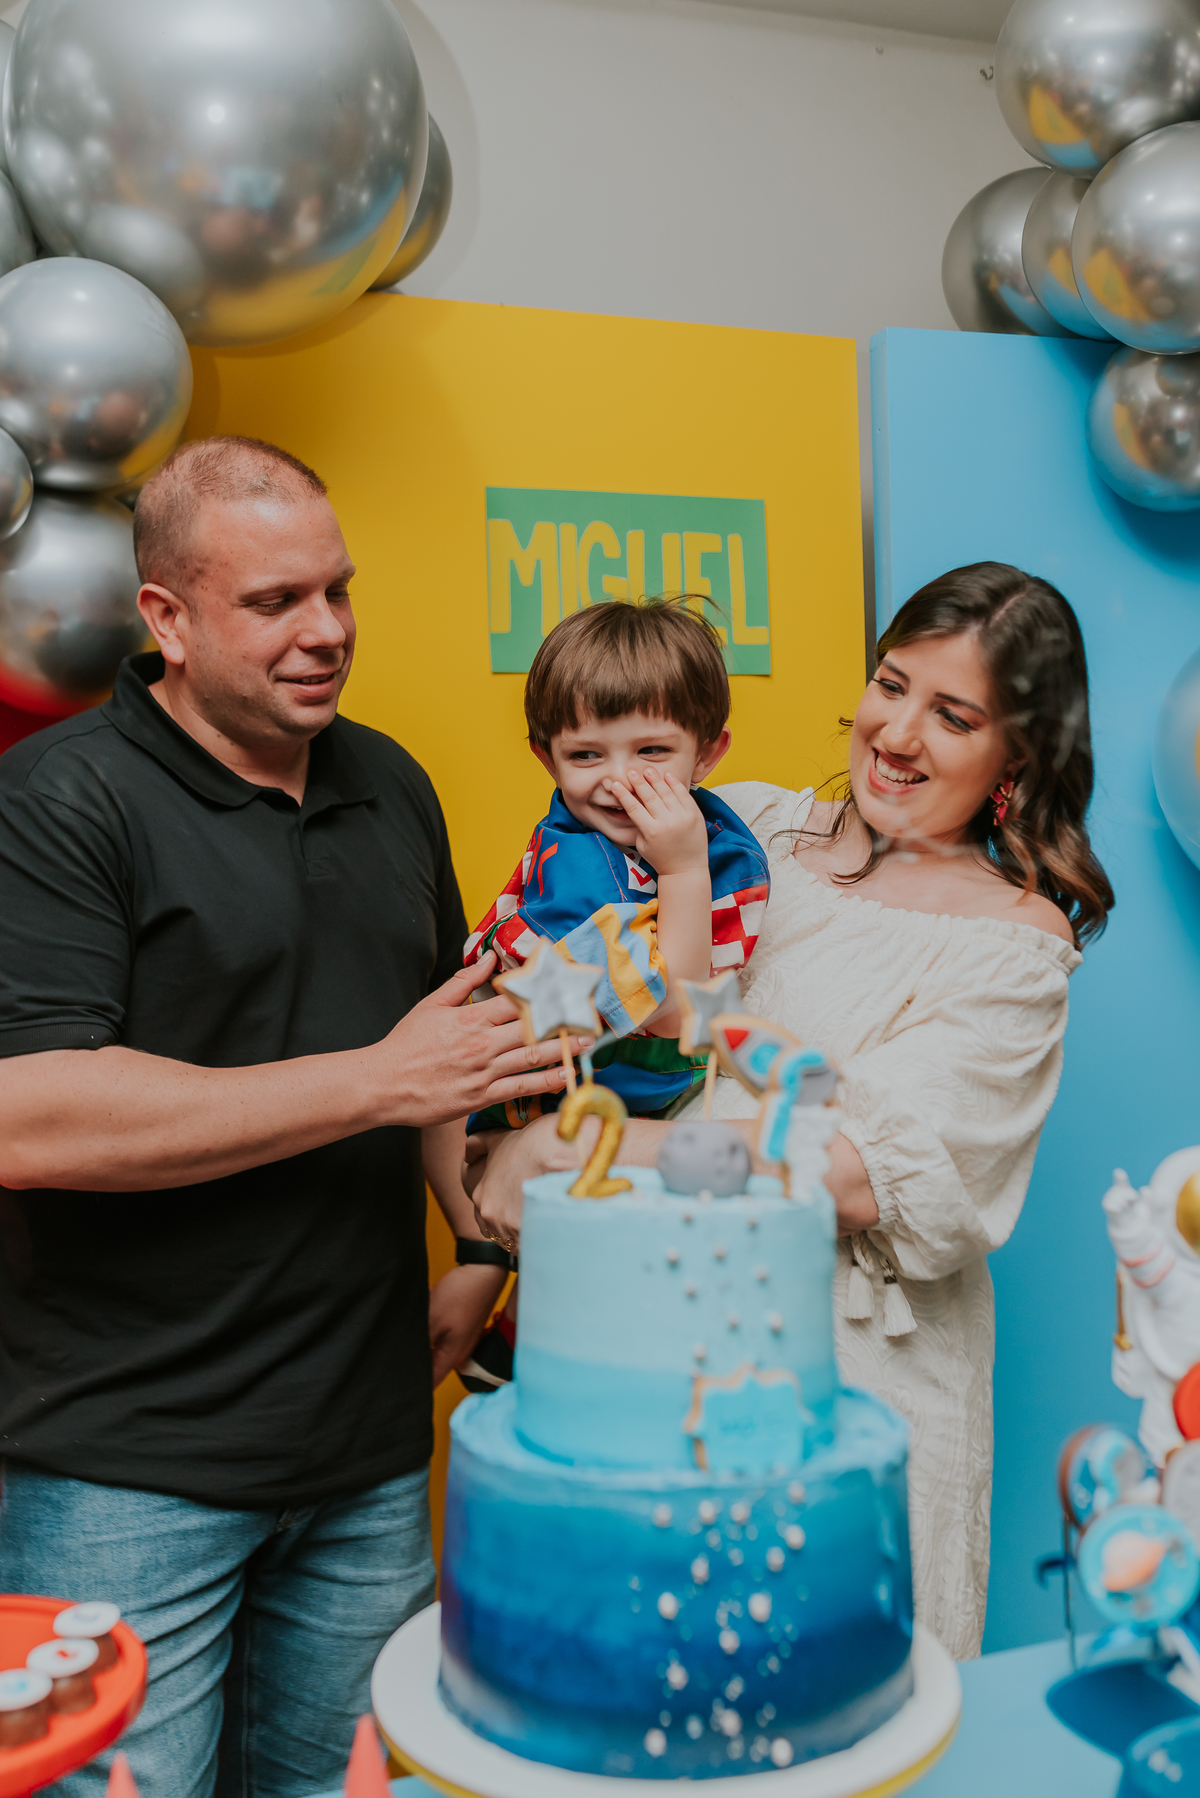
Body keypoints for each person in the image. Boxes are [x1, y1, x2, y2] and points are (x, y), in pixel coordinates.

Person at [0, 435, 580, 1798]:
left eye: (339, 589)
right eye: (275, 603)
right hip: (121, 1470)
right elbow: (30, 1114)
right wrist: (377, 1080)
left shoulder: (389, 779)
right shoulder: (61, 802)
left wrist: (482, 1246)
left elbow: (449, 1047)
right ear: (167, 619)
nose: (326, 632)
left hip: (368, 1453)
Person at [467, 561, 1115, 1659]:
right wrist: (493, 1156)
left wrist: (587, 1150)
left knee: (824, 1705)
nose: (896, 733)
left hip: (850, 1385)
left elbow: (858, 1173)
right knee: (654, 1702)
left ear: (1020, 755)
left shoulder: (1015, 945)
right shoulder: (749, 826)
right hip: (656, 1348)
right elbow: (578, 991)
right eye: (890, 683)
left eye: (952, 716)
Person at [457, 600, 770, 1390]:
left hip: (627, 1082)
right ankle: (526, 1348)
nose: (621, 780)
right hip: (546, 1090)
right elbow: (680, 1012)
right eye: (586, 754)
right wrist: (683, 870)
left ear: (709, 752)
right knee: (598, 1233)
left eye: (653, 750)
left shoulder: (717, 829)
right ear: (546, 757)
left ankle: (520, 1340)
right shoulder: (580, 870)